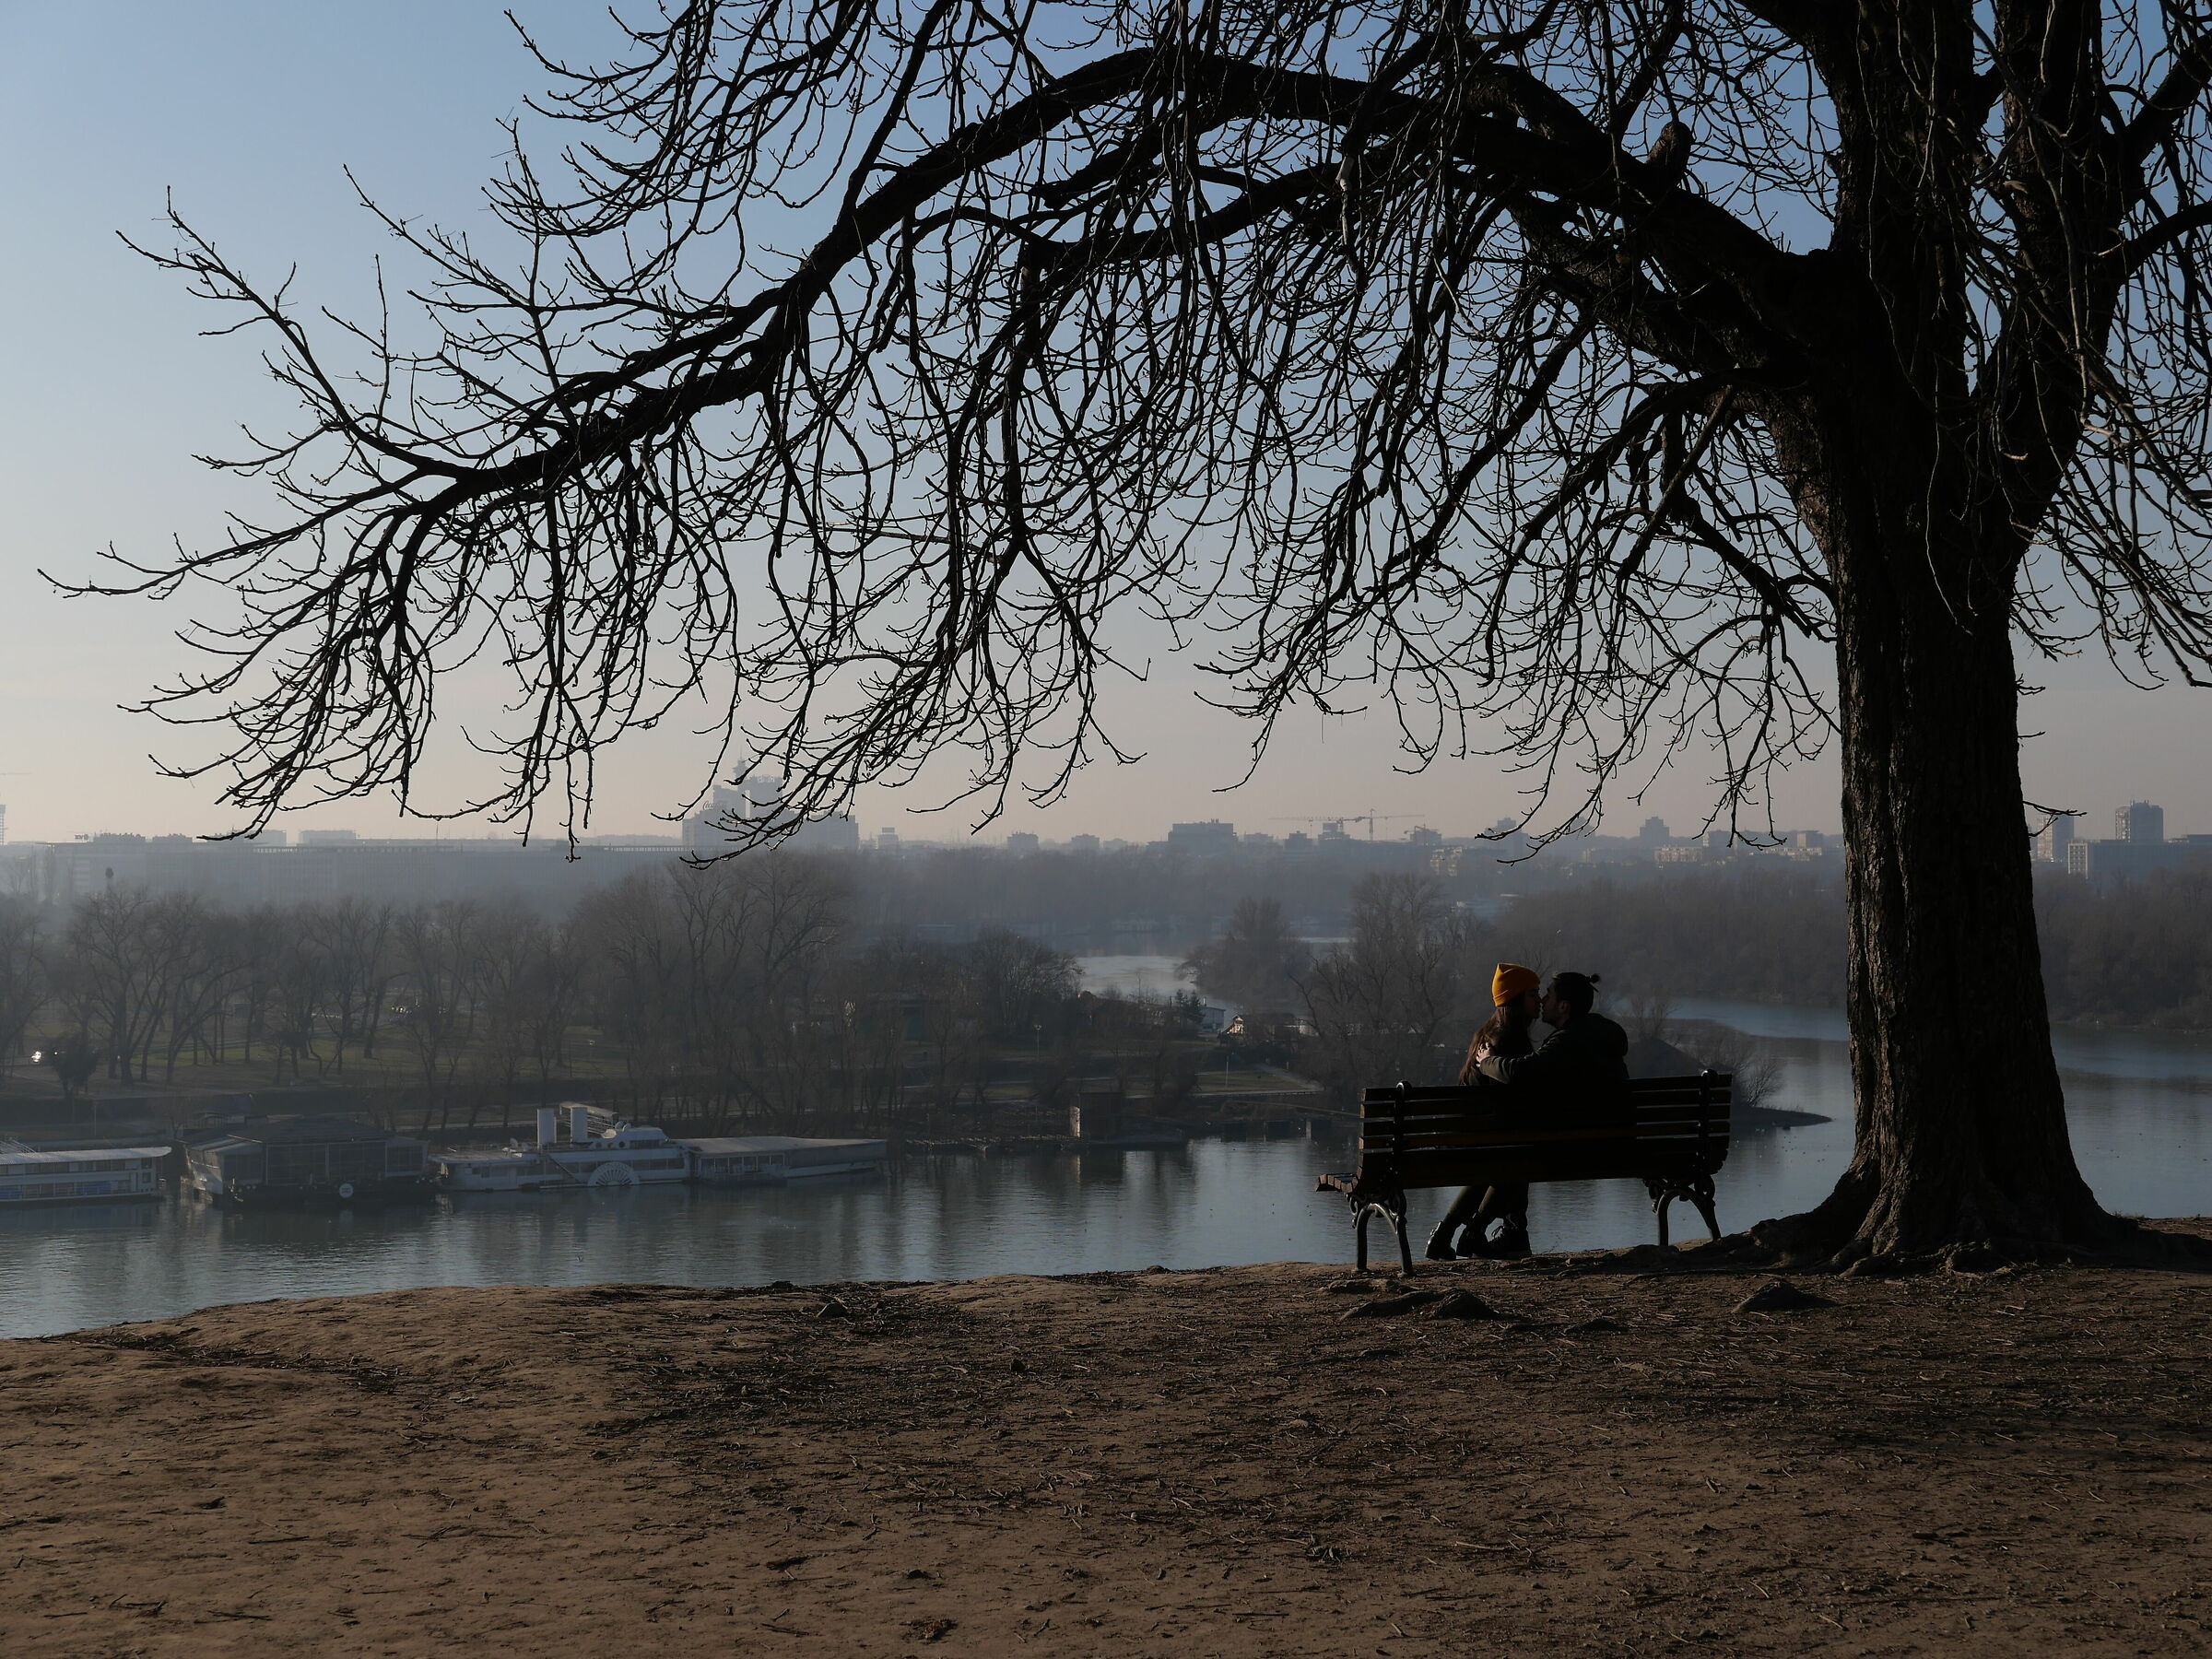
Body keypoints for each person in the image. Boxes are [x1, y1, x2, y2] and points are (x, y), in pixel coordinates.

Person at [1436, 970, 1632, 1261]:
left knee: (1517, 1153)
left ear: (1564, 1007)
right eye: (1536, 994)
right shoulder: (1601, 1034)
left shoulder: (1566, 1041)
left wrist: (1488, 1062)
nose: (1543, 1000)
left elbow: (1520, 1073)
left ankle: (1473, 1232)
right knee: (1518, 1150)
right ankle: (1495, 1233)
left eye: (1548, 995)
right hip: (1615, 1145)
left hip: (1579, 1147)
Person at [1423, 963, 1540, 1261]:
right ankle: (1475, 1232)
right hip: (1492, 1141)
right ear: (1514, 999)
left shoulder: (1487, 1035)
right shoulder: (1508, 1042)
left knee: (1508, 1156)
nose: (1538, 1000)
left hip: (1476, 1138)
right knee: (1515, 1159)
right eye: (1533, 994)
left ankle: (1445, 1234)